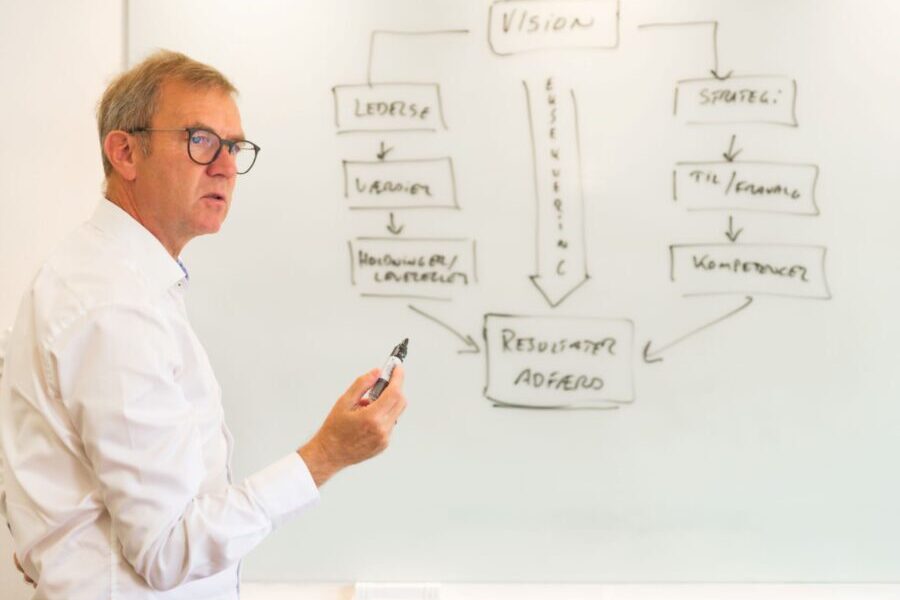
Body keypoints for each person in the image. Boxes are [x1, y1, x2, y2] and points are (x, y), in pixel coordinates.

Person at [0, 50, 407, 599]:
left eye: (234, 146)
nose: (225, 167)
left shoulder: (105, 278)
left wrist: (46, 534)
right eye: (200, 140)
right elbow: (166, 549)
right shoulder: (113, 305)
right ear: (125, 152)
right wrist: (325, 456)